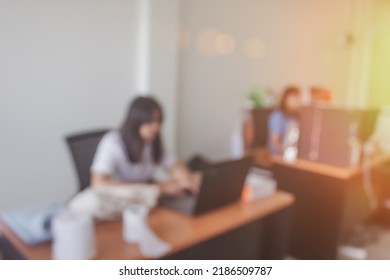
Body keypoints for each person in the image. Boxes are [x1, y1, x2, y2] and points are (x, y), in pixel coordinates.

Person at [90, 96, 199, 196]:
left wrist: (186, 181)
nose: (156, 127)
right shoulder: (112, 143)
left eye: (158, 121)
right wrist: (158, 188)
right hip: (120, 202)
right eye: (150, 121)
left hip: (146, 201)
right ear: (136, 121)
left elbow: (175, 166)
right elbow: (98, 184)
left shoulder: (152, 141)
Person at [267, 86, 301, 156]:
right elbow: (275, 143)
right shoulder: (277, 116)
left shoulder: (295, 118)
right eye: (294, 99)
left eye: (298, 99)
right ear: (285, 99)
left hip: (291, 156)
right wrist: (287, 154)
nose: (297, 102)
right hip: (277, 157)